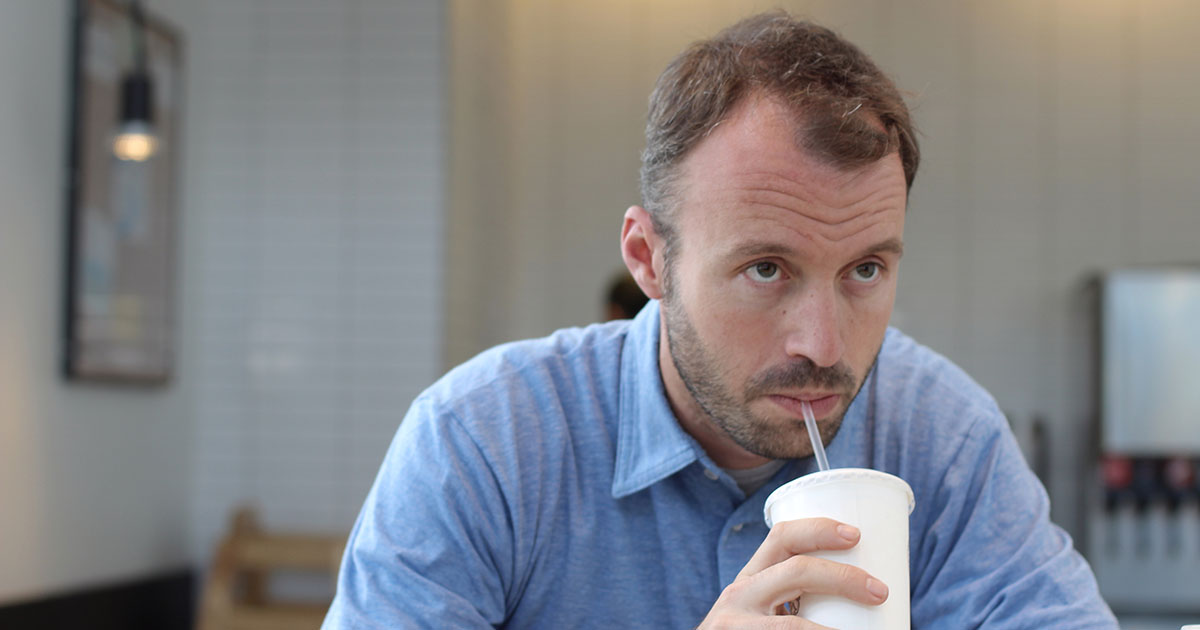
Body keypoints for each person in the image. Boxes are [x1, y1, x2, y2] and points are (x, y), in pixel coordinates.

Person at [323, 11, 1117, 629]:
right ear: (649, 260)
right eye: (765, 269)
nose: (824, 346)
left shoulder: (945, 440)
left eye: (865, 270)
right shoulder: (481, 446)